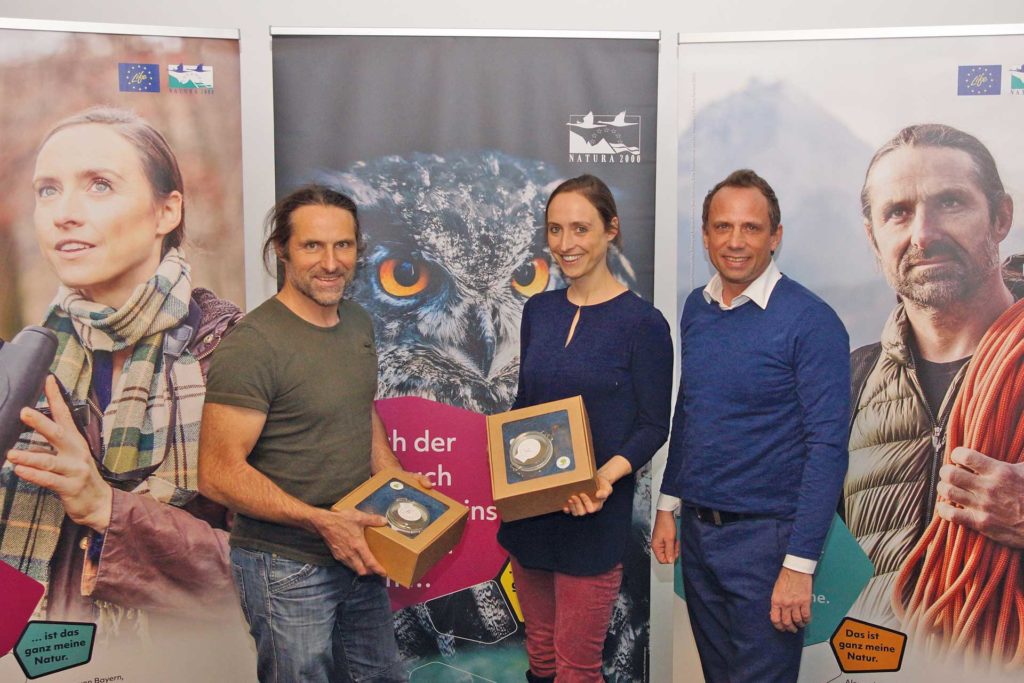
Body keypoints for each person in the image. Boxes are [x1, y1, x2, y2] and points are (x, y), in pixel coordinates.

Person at [0, 107, 242, 630]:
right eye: (47, 190)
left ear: (166, 212)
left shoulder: (235, 357)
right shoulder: (23, 363)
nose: (64, 213)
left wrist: (105, 507)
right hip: (37, 658)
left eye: (100, 186)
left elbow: (285, 577)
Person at [198, 185, 428, 683]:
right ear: (281, 250)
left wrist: (392, 478)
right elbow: (217, 475)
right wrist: (320, 521)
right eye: (312, 246)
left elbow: (358, 410)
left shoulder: (358, 322)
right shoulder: (253, 346)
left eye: (343, 246)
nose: (331, 262)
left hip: (357, 553)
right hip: (284, 568)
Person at [652, 169, 849, 683]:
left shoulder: (811, 321)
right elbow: (691, 408)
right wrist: (670, 505)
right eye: (722, 227)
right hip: (698, 537)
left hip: (768, 546)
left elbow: (828, 448)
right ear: (705, 235)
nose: (735, 242)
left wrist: (799, 565)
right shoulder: (696, 307)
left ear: (775, 236)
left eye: (751, 228)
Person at [496, 174, 673, 683]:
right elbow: (526, 405)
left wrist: (601, 479)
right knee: (542, 661)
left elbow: (652, 424)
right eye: (555, 230)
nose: (566, 244)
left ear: (611, 230)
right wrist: (511, 474)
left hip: (592, 515)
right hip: (531, 516)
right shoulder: (539, 311)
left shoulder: (643, 324)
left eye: (580, 228)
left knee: (576, 669)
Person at [845, 123, 1024, 627]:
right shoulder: (849, 383)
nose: (924, 234)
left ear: (1001, 216)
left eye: (950, 203)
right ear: (873, 237)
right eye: (898, 212)